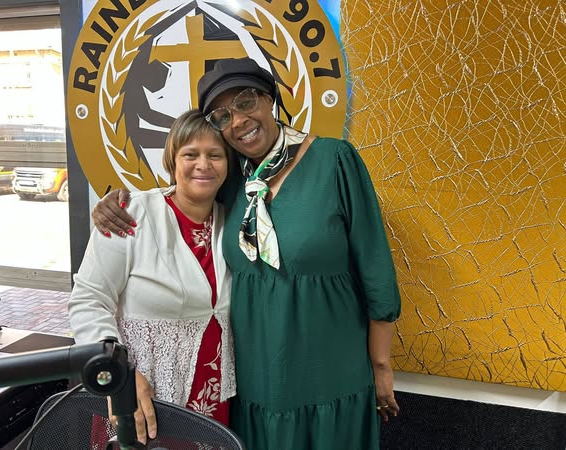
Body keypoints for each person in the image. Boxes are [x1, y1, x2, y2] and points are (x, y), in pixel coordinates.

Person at [92, 57, 401, 450]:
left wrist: (381, 367)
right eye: (222, 115)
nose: (238, 120)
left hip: (329, 373)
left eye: (246, 101)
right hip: (256, 381)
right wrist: (117, 202)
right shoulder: (230, 179)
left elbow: (376, 270)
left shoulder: (334, 161)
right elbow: (178, 194)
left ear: (271, 99)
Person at [69, 109, 236, 445]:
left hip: (211, 399)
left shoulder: (232, 221)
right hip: (139, 397)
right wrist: (118, 374)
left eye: (215, 155)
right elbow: (89, 300)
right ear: (172, 160)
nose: (203, 164)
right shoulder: (131, 214)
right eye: (191, 154)